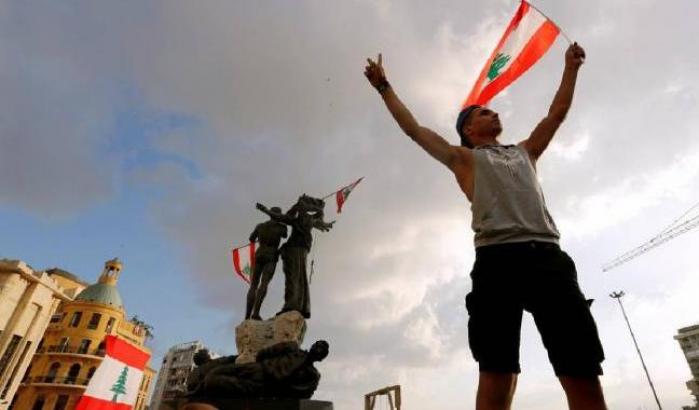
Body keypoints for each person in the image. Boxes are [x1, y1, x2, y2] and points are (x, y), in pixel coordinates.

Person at [364, 42, 608, 410]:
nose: (493, 114)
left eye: (493, 111)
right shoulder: (462, 158)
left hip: (548, 258)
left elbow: (556, 114)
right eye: (483, 112)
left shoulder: (526, 151)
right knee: (497, 370)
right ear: (468, 129)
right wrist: (384, 87)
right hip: (497, 262)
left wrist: (571, 68)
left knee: (580, 366)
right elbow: (414, 129)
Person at [256, 195, 333, 319]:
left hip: (294, 249)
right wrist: (315, 207)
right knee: (300, 277)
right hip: (302, 249)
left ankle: (291, 304)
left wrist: (265, 210)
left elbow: (281, 217)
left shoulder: (297, 220)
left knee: (293, 277)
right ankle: (301, 306)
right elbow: (320, 215)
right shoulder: (311, 219)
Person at [246, 207, 288, 320]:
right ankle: (255, 313)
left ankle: (247, 315)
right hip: (271, 255)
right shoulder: (282, 227)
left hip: (259, 254)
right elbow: (285, 235)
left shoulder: (260, 226)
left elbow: (251, 238)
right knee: (264, 283)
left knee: (253, 285)